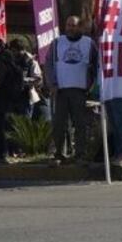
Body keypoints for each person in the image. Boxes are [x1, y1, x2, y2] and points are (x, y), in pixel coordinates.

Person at [44, 16, 96, 163]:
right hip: (60, 90)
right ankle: (59, 154)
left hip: (80, 91)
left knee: (80, 123)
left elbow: (96, 65)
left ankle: (80, 154)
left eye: (73, 25)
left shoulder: (89, 44)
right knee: (59, 124)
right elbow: (48, 64)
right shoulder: (57, 43)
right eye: (68, 25)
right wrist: (51, 83)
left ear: (80, 27)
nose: (70, 28)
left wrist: (93, 86)